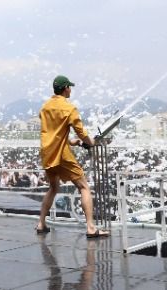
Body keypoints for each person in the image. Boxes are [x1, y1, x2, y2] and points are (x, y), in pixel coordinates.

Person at [35, 75, 109, 239]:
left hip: (47, 153)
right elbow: (82, 133)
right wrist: (91, 142)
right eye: (69, 87)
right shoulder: (69, 108)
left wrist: (70, 141)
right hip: (62, 155)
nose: (71, 90)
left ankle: (41, 223)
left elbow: (52, 132)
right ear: (65, 88)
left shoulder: (45, 107)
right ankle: (91, 228)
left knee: (53, 188)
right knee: (84, 187)